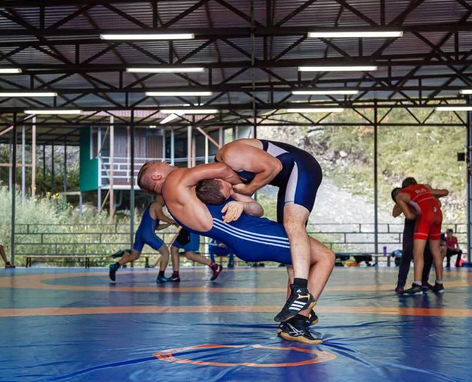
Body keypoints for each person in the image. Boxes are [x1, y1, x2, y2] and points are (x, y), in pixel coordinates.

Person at [137, 160, 335, 344]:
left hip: (252, 233)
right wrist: (253, 180)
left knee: (297, 262)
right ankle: (298, 320)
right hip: (251, 235)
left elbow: (257, 209)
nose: (166, 162)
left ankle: (293, 319)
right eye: (159, 163)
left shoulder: (188, 195)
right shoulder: (173, 181)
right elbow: (222, 168)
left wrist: (238, 198)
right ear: (156, 176)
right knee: (325, 256)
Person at [215, 139, 323, 322]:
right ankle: (297, 315)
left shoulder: (229, 154)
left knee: (292, 225)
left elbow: (274, 165)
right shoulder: (227, 184)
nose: (231, 191)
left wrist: (248, 189)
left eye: (228, 191)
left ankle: (301, 291)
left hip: (302, 167)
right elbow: (257, 209)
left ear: (216, 179)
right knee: (287, 240)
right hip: (289, 180)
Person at [393, 177, 449, 295]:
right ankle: (438, 283)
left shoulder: (410, 192)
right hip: (434, 216)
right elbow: (444, 193)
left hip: (423, 219)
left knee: (421, 252)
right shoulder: (423, 189)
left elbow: (408, 216)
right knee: (417, 250)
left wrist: (413, 213)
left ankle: (420, 283)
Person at [109, 195, 176, 283]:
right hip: (148, 234)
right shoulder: (157, 205)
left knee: (134, 255)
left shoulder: (151, 207)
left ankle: (115, 266)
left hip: (140, 234)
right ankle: (161, 276)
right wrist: (173, 221)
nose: (166, 202)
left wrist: (169, 224)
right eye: (165, 199)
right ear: (159, 197)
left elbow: (157, 227)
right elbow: (162, 217)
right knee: (165, 252)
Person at [391, 188, 436, 293]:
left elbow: (436, 202)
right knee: (407, 252)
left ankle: (423, 281)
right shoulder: (402, 201)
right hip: (412, 225)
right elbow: (394, 213)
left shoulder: (419, 196)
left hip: (423, 223)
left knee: (428, 252)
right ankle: (401, 283)